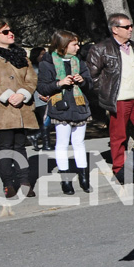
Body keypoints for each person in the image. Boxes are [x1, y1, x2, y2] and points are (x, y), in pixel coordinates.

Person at [0, 20, 39, 198]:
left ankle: (24, 182)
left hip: (22, 108)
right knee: (5, 147)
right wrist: (6, 95)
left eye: (11, 31)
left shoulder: (21, 55)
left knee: (20, 146)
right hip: (0, 108)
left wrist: (22, 94)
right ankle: (8, 184)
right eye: (5, 32)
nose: (11, 34)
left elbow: (32, 78)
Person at [87, 13, 134, 183]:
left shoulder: (133, 46)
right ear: (115, 29)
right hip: (120, 100)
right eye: (126, 27)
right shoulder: (100, 49)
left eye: (131, 26)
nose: (130, 30)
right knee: (119, 136)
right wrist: (107, 93)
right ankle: (120, 170)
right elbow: (92, 76)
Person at [37, 30, 93, 195]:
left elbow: (90, 85)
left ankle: (84, 178)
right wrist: (59, 83)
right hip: (60, 106)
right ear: (63, 45)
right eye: (74, 44)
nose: (77, 47)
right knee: (62, 143)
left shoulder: (79, 61)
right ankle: (66, 180)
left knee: (79, 142)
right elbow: (42, 87)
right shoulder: (47, 63)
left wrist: (83, 82)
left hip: (79, 105)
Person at [27, 46, 53, 152]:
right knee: (46, 120)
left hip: (47, 96)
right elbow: (34, 84)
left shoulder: (43, 66)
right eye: (42, 54)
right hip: (40, 98)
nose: (44, 56)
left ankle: (36, 136)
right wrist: (41, 95)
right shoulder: (33, 68)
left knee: (49, 120)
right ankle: (46, 144)